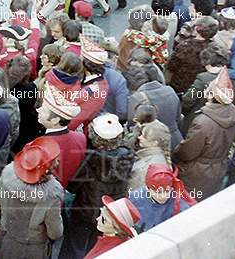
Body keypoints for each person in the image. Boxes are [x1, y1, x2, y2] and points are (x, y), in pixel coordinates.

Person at [60, 114, 134, 259]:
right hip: (110, 214)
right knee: (95, 246)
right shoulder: (127, 158)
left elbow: (73, 186)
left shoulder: (90, 159)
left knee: (74, 245)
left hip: (85, 212)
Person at [0, 137, 63, 259]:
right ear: (46, 170)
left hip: (3, 240)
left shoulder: (7, 176)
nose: (58, 161)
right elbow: (55, 233)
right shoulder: (51, 196)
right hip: (31, 250)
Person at [174, 67, 235, 199]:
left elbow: (187, 152)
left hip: (197, 172)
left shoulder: (203, 122)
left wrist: (176, 152)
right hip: (218, 169)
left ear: (211, 95)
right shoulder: (234, 113)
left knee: (189, 202)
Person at [37, 82, 86, 187]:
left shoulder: (41, 145)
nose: (38, 110)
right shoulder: (81, 137)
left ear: (55, 120)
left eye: (44, 110)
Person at [129, 163, 195, 231]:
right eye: (158, 192)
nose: (163, 196)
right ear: (148, 188)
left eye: (167, 191)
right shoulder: (134, 199)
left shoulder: (181, 204)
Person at [127, 119, 171, 190]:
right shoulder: (160, 155)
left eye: (144, 136)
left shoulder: (144, 169)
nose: (139, 137)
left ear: (155, 143)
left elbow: (134, 192)